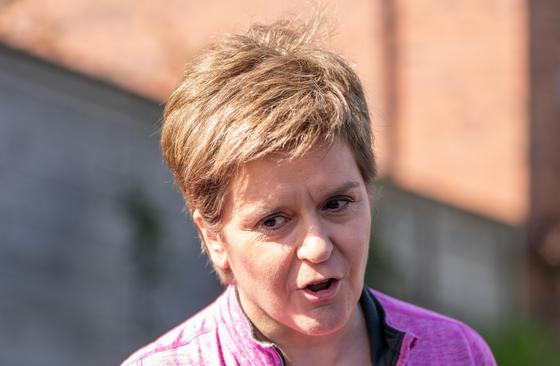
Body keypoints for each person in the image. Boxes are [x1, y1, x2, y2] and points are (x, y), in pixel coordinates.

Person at [122, 17, 496, 366]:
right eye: (275, 221)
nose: (317, 245)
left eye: (336, 203)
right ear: (214, 238)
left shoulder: (455, 352)